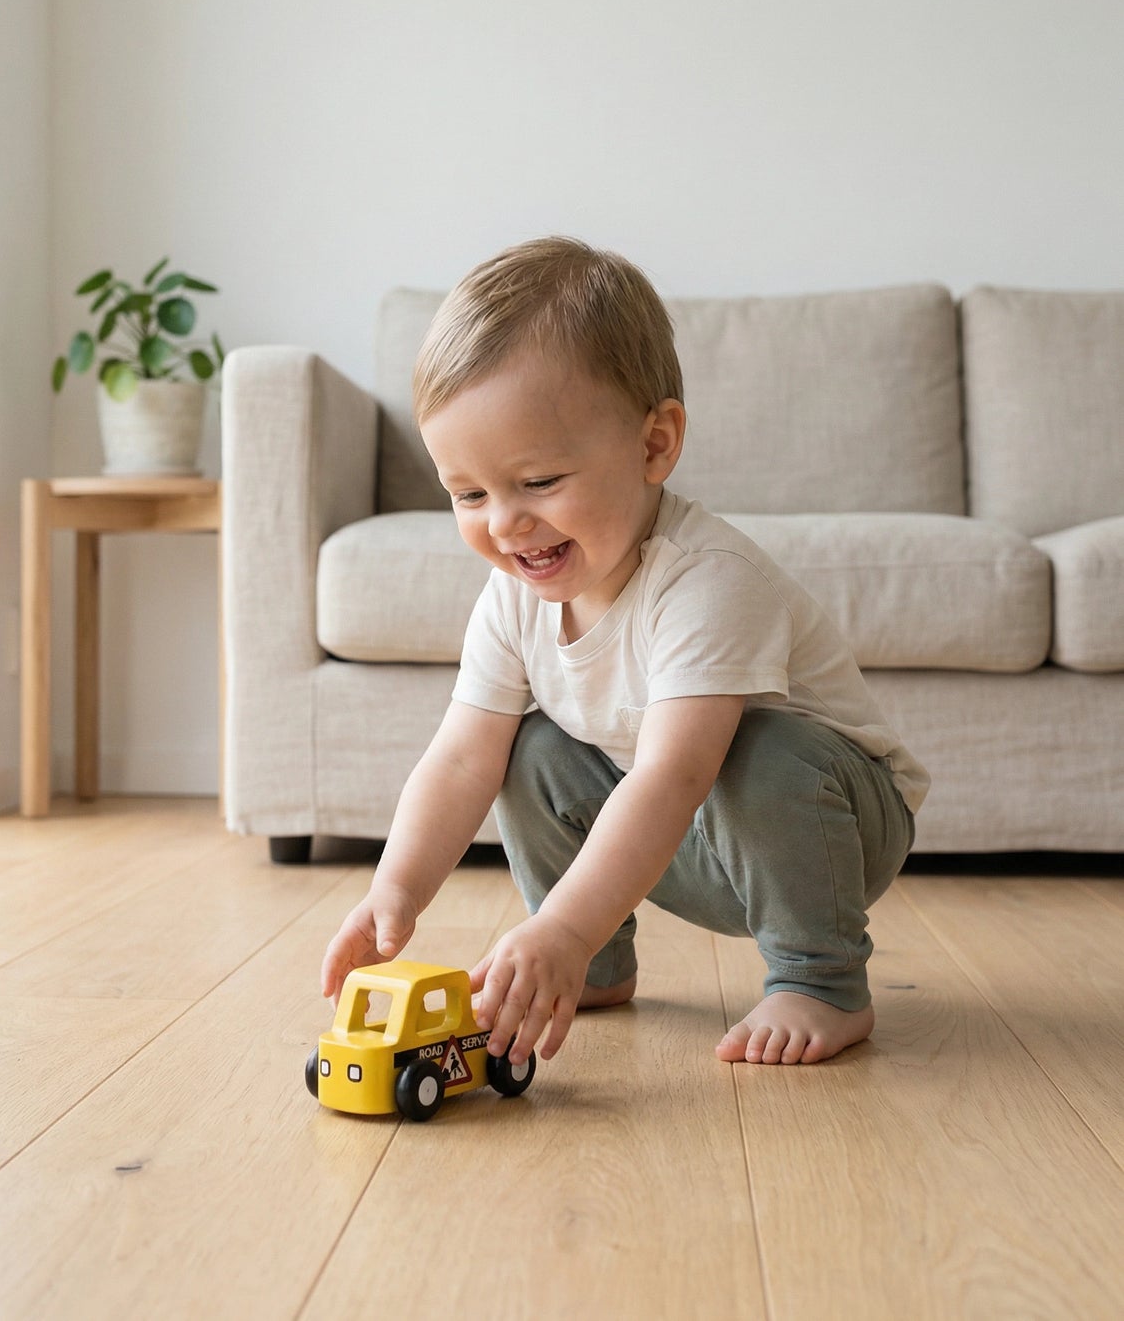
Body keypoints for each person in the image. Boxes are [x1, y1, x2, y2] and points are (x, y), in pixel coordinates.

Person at [320, 237, 927, 1067]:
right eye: (468, 493)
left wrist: (559, 924)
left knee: (757, 749)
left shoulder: (708, 581)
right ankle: (589, 968)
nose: (503, 523)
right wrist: (395, 888)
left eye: (537, 482)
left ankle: (818, 978)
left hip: (831, 828)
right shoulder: (513, 599)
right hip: (689, 835)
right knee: (525, 747)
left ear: (653, 445)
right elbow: (461, 760)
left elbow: (676, 774)